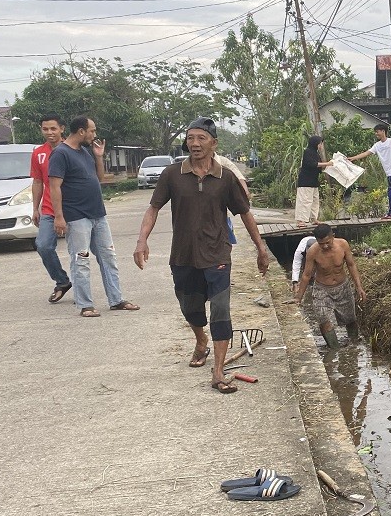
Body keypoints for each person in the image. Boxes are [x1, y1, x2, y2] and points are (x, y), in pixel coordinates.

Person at [133, 117, 271, 393]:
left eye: (201, 138)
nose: (194, 143)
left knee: (221, 312)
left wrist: (261, 247)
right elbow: (154, 208)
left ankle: (218, 372)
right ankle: (200, 340)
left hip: (217, 253)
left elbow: (244, 213)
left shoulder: (225, 178)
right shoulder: (172, 175)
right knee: (191, 308)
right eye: (190, 138)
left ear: (213, 143)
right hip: (183, 255)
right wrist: (141, 240)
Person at [48, 116, 140, 318]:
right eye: (92, 131)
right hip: (76, 216)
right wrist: (59, 217)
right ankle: (85, 304)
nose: (94, 135)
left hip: (97, 214)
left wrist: (98, 156)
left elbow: (99, 178)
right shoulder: (60, 154)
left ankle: (116, 300)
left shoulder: (85, 152)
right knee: (81, 260)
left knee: (108, 257)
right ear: (81, 131)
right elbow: (54, 187)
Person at [292, 223, 365, 347]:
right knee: (323, 319)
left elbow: (351, 265)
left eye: (327, 242)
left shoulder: (343, 245)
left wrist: (359, 287)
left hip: (343, 287)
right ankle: (334, 349)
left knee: (350, 319)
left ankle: (354, 345)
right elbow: (306, 275)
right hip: (322, 289)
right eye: (321, 244)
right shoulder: (313, 251)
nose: (325, 246)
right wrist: (298, 298)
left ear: (333, 236)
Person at [30, 114, 72, 303]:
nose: (49, 133)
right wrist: (35, 208)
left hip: (73, 209)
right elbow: (38, 181)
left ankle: (82, 289)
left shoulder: (72, 149)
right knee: (43, 246)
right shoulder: (38, 153)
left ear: (62, 129)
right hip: (48, 210)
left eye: (53, 129)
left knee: (80, 251)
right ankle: (61, 281)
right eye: (45, 129)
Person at [348, 123, 391, 219]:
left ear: (383, 131)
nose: (376, 134)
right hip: (388, 172)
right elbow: (366, 153)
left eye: (377, 132)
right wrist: (353, 158)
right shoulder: (377, 145)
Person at [295, 134, 330, 226]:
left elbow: (319, 166)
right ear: (315, 143)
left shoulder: (316, 153)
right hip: (305, 181)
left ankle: (314, 218)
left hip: (314, 181)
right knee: (305, 201)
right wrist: (328, 163)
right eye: (320, 143)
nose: (321, 145)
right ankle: (301, 220)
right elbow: (312, 164)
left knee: (315, 201)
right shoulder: (308, 152)